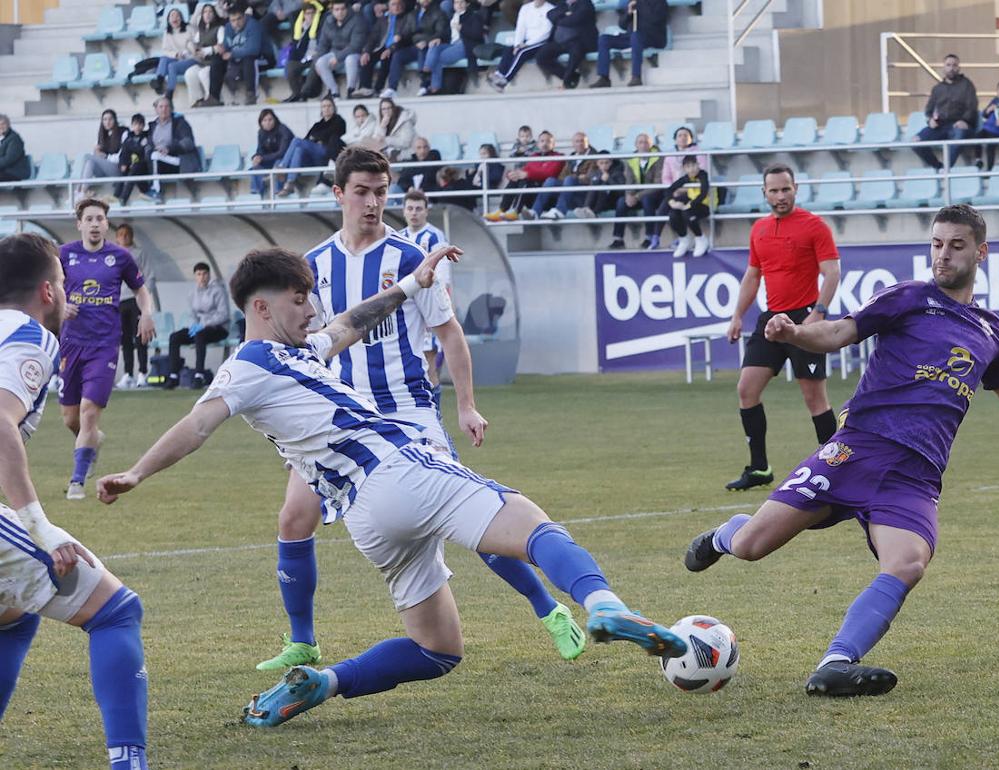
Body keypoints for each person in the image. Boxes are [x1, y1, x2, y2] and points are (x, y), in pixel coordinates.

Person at [97, 239, 686, 727]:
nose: (311, 310)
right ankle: (605, 606)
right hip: (400, 469)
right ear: (260, 307)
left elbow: (353, 323)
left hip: (366, 517)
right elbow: (198, 423)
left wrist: (411, 284)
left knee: (437, 650)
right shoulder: (248, 364)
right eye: (299, 300)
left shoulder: (296, 354)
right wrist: (138, 471)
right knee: (531, 523)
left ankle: (321, 683)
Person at [684, 203, 999, 698]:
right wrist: (797, 332)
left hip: (915, 474)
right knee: (751, 547)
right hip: (858, 449)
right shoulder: (908, 297)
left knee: (907, 563)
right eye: (936, 244)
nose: (943, 255)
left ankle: (836, 663)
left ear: (981, 252)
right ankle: (724, 535)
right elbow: (841, 332)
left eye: (956, 245)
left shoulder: (991, 332)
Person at [205, 147, 595, 673]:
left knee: (468, 516)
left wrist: (467, 406)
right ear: (339, 193)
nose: (372, 202)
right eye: (362, 191)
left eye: (381, 191)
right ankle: (303, 641)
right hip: (339, 425)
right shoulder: (314, 266)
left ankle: (546, 608)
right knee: (294, 518)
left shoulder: (410, 258)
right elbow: (302, 342)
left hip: (407, 412)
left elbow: (448, 333)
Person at [0, 233, 150, 770]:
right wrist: (40, 528)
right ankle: (129, 763)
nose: (68, 295)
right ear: (47, 289)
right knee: (115, 612)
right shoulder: (30, 335)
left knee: (13, 614)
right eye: (64, 284)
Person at [723, 164, 840, 490]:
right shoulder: (759, 229)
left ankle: (837, 468)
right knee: (746, 390)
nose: (780, 195)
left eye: (785, 189)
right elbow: (752, 275)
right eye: (773, 190)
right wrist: (737, 315)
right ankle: (759, 468)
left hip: (803, 318)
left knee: (814, 398)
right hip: (771, 319)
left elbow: (832, 272)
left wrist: (818, 313)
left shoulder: (814, 226)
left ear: (795, 188)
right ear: (764, 193)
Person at [58, 198, 156, 501]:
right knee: (70, 419)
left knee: (88, 414)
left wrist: (147, 313)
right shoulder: (64, 255)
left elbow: (141, 290)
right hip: (71, 343)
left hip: (104, 345)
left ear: (106, 223)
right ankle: (93, 442)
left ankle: (77, 482)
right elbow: (49, 288)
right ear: (79, 224)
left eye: (100, 219)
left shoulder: (120, 257)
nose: (95, 224)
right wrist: (62, 305)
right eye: (89, 219)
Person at [398, 188, 450, 394]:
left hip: (427, 306)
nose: (414, 213)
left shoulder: (435, 236)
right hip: (404, 307)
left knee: (429, 364)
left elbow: (444, 275)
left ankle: (434, 414)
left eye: (419, 209)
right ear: (403, 211)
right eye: (410, 208)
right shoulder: (399, 236)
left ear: (426, 211)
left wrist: (439, 307)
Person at [164, 262, 231, 389]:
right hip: (200, 328)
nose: (202, 277)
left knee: (200, 335)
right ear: (195, 276)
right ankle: (173, 376)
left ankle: (199, 375)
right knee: (175, 337)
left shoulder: (218, 291)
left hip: (219, 328)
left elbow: (224, 315)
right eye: (199, 274)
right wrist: (194, 326)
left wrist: (203, 325)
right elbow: (193, 315)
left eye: (205, 273)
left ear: (209, 275)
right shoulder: (192, 294)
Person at [912, 53, 978, 170]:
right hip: (940, 126)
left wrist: (964, 121)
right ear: (944, 67)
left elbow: (972, 106)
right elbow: (929, 110)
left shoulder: (967, 85)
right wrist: (930, 120)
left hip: (960, 124)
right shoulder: (938, 88)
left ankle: (946, 170)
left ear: (958, 68)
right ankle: (939, 167)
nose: (951, 68)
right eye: (948, 65)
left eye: (954, 65)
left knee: (958, 135)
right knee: (916, 141)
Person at [275, 96, 347, 196]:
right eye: (324, 106)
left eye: (329, 106)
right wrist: (317, 139)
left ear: (334, 107)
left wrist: (316, 138)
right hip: (313, 156)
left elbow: (335, 133)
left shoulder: (338, 121)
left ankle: (283, 167)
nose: (326, 108)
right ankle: (290, 182)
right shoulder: (317, 125)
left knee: (296, 141)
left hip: (326, 153)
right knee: (299, 149)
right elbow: (307, 139)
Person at [115, 224, 157, 390]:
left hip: (136, 300)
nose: (124, 237)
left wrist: (146, 296)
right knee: (125, 339)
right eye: (121, 234)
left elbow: (150, 276)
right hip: (120, 301)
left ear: (132, 236)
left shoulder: (140, 254)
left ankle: (142, 373)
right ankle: (128, 374)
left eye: (127, 234)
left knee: (141, 337)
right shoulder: (114, 254)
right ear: (117, 238)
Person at [484, 129, 562, 220]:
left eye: (548, 141)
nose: (545, 144)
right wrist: (512, 174)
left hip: (547, 197)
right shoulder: (534, 156)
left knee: (525, 179)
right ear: (538, 144)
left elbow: (549, 173)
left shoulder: (558, 156)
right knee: (517, 179)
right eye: (542, 141)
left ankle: (515, 211)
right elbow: (525, 171)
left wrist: (527, 174)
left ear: (553, 144)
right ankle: (502, 210)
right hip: (532, 195)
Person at [589, 0, 667, 89]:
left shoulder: (659, 2)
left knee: (636, 36)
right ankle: (604, 77)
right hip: (632, 36)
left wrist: (640, 7)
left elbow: (656, 19)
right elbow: (622, 25)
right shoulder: (633, 2)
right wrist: (629, 13)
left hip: (652, 36)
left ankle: (636, 76)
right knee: (604, 39)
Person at [652, 125, 708, 249]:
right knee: (665, 206)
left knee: (678, 209)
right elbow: (665, 177)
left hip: (691, 191)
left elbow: (701, 172)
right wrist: (673, 190)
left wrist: (683, 189)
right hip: (675, 190)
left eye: (685, 135)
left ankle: (681, 237)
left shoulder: (698, 152)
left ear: (691, 138)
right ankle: (656, 236)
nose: (682, 138)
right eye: (680, 135)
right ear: (675, 139)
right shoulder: (670, 155)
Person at [607, 131, 661, 248]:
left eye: (646, 142)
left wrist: (637, 196)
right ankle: (618, 239)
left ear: (651, 145)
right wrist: (628, 195)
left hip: (654, 195)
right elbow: (629, 181)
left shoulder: (658, 158)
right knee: (621, 202)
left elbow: (658, 184)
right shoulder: (631, 160)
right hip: (636, 196)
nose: (643, 145)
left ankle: (649, 237)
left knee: (647, 199)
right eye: (640, 142)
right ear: (636, 145)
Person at [423, 0, 486, 95]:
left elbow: (477, 34)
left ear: (467, 4)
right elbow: (446, 33)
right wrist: (438, 38)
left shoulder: (474, 16)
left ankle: (434, 86)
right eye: (456, 3)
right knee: (434, 46)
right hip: (452, 44)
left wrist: (462, 28)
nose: (459, 5)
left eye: (462, 2)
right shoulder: (452, 17)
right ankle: (427, 66)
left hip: (465, 45)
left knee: (439, 57)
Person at [487, 0, 551, 91]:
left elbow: (546, 33)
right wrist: (517, 44)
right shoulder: (525, 8)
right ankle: (499, 74)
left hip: (541, 42)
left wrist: (526, 44)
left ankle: (505, 80)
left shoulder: (550, 9)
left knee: (522, 52)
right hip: (526, 41)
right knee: (509, 49)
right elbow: (520, 27)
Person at [147, 97, 202, 203]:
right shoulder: (153, 126)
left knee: (154, 156)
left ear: (171, 109)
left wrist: (169, 148)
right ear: (156, 110)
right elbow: (149, 145)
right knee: (148, 158)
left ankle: (156, 191)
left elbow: (188, 142)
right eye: (161, 107)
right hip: (160, 162)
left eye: (167, 106)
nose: (164, 109)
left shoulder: (180, 123)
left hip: (179, 160)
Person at [357, 0, 416, 97]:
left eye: (399, 4)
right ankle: (365, 88)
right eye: (393, 4)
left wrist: (391, 49)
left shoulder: (408, 18)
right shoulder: (383, 19)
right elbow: (373, 37)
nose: (397, 7)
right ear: (388, 7)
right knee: (366, 59)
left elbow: (407, 37)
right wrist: (366, 51)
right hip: (382, 46)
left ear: (404, 6)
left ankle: (377, 89)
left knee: (385, 58)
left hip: (398, 47)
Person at [391, 0, 450, 97]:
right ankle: (392, 88)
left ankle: (425, 85)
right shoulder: (412, 14)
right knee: (398, 55)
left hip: (429, 46)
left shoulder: (439, 13)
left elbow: (441, 32)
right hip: (415, 46)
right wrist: (399, 38)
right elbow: (407, 33)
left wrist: (426, 42)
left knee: (422, 51)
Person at [535, 0, 596, 90]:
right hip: (561, 42)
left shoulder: (586, 3)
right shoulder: (564, 4)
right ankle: (570, 76)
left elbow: (574, 19)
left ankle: (567, 82)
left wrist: (560, 18)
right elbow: (550, 14)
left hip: (580, 40)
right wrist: (565, 15)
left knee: (576, 52)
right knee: (541, 56)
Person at [534, 130, 595, 219]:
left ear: (587, 143)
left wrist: (574, 178)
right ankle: (535, 212)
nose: (579, 144)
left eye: (582, 141)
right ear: (573, 144)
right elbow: (562, 176)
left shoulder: (594, 157)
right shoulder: (571, 157)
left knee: (569, 179)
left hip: (583, 195)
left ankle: (560, 211)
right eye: (577, 141)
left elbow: (589, 178)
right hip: (568, 193)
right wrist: (573, 178)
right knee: (551, 180)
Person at [313, 0, 368, 98]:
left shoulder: (357, 20)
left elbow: (356, 46)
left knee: (350, 59)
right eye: (337, 9)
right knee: (320, 62)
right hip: (336, 53)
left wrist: (338, 57)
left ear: (347, 9)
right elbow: (322, 44)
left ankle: (351, 90)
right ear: (332, 11)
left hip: (355, 54)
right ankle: (334, 92)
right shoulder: (328, 21)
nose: (340, 12)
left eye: (342, 9)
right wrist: (316, 60)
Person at [209, 8, 264, 105]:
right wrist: (222, 49)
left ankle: (251, 94)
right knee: (217, 60)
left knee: (249, 58)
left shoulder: (253, 25)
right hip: (236, 58)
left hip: (261, 58)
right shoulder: (228, 27)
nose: (236, 23)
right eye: (233, 20)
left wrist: (232, 54)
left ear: (244, 17)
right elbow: (227, 45)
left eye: (239, 19)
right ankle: (214, 98)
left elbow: (254, 49)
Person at [663, 155, 711, 258]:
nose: (692, 169)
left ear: (698, 165)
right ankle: (684, 239)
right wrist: (672, 202)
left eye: (694, 165)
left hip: (706, 205)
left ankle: (700, 238)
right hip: (693, 205)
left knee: (687, 213)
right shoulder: (686, 178)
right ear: (684, 168)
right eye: (688, 166)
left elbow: (703, 193)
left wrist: (688, 205)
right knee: (673, 214)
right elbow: (669, 190)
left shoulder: (703, 175)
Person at [282, 1, 327, 101]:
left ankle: (304, 93)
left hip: (316, 55)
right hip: (303, 57)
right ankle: (296, 93)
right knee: (290, 66)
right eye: (307, 13)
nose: (310, 16)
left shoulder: (321, 25)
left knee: (315, 63)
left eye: (312, 13)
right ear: (304, 15)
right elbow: (295, 44)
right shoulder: (300, 27)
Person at [186, 3, 225, 107]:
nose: (207, 14)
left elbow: (220, 47)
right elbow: (195, 45)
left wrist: (206, 51)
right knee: (190, 73)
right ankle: (196, 100)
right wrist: (192, 49)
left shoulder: (220, 28)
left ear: (214, 14)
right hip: (202, 61)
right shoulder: (200, 32)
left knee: (203, 73)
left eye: (210, 12)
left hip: (214, 63)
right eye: (205, 12)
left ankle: (211, 98)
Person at [79, 109, 125, 198]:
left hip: (117, 167)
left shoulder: (123, 132)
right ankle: (83, 191)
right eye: (105, 119)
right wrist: (96, 153)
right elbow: (96, 156)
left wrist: (105, 156)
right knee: (90, 162)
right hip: (103, 169)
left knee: (87, 157)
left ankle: (80, 191)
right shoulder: (101, 135)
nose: (107, 122)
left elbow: (121, 157)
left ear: (115, 120)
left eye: (110, 119)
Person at [248, 109, 295, 195]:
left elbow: (282, 152)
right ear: (261, 123)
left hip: (284, 160)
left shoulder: (283, 130)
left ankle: (278, 190)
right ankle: (257, 192)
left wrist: (262, 158)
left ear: (275, 120)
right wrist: (256, 157)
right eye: (265, 120)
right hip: (270, 160)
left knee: (278, 164)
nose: (268, 122)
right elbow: (260, 150)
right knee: (254, 168)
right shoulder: (261, 132)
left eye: (270, 119)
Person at [154, 7, 196, 98]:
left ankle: (169, 93)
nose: (175, 18)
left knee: (172, 66)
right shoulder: (167, 32)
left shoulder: (189, 28)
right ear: (168, 20)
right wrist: (176, 54)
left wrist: (186, 52)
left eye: (177, 16)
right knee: (164, 59)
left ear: (181, 18)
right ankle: (159, 81)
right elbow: (165, 50)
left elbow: (196, 46)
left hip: (191, 58)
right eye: (172, 16)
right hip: (177, 58)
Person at [974, 80, 999, 170]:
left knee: (990, 147)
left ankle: (990, 170)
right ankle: (978, 159)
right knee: (976, 138)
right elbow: (984, 114)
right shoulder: (994, 101)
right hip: (987, 128)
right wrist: (988, 110)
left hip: (998, 132)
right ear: (997, 91)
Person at [114, 114, 154, 205]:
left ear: (143, 126)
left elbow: (142, 152)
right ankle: (115, 196)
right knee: (123, 172)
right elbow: (123, 153)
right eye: (136, 124)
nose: (138, 127)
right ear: (132, 125)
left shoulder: (146, 137)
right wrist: (123, 164)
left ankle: (123, 199)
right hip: (131, 166)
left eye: (140, 124)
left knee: (134, 169)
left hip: (142, 168)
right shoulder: (128, 137)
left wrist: (132, 158)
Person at [371, 97, 417, 162]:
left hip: (407, 156)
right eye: (383, 109)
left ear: (393, 108)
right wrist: (382, 127)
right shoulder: (380, 121)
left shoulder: (404, 120)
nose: (386, 111)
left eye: (389, 108)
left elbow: (406, 142)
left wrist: (386, 140)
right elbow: (376, 142)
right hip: (389, 157)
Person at [0, 115, 31, 182]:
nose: (1, 126)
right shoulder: (3, 138)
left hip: (15, 172)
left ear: (8, 125)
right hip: (5, 171)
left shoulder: (14, 139)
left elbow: (8, 159)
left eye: (3, 124)